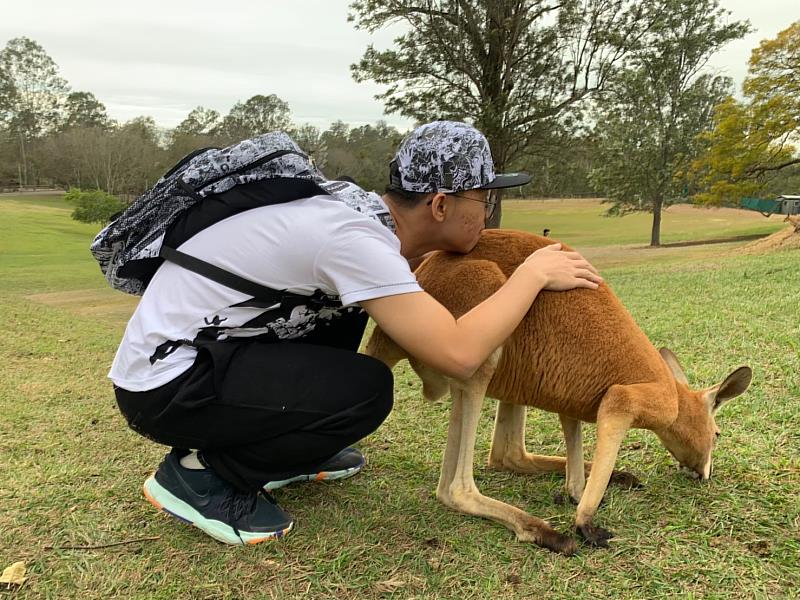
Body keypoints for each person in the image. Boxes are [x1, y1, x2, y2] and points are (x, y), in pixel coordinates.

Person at [110, 120, 603, 545]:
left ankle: (290, 449)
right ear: (439, 205)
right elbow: (459, 356)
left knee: (349, 317)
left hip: (200, 361)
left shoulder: (354, 213)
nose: (489, 211)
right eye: (483, 197)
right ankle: (205, 477)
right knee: (366, 390)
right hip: (167, 386)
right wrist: (532, 274)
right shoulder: (354, 241)